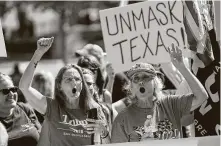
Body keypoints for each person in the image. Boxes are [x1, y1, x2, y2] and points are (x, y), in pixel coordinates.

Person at [19, 37, 110, 146]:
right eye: (68, 79)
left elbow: (108, 143)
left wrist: (103, 132)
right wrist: (38, 53)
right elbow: (24, 87)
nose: (74, 83)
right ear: (59, 86)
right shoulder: (52, 107)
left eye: (77, 79)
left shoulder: (94, 109)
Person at [111, 44, 208, 143]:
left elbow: (202, 96)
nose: (141, 82)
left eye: (145, 77)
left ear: (155, 83)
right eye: (136, 78)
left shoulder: (171, 104)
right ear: (131, 87)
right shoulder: (122, 119)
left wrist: (182, 67)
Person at [0, 73, 41, 146]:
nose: (11, 94)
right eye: (5, 91)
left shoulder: (25, 109)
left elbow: (42, 136)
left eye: (13, 89)